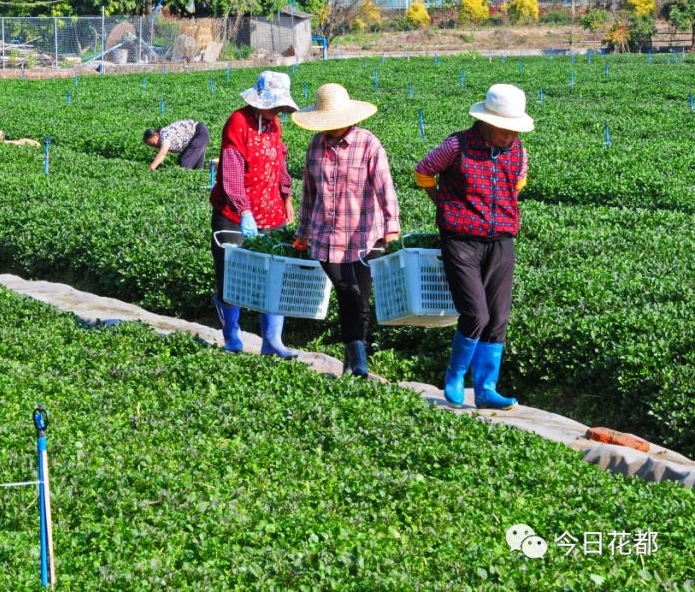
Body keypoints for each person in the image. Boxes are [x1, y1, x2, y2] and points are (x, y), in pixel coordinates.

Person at [414, 83, 533, 410]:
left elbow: (518, 183)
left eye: (514, 130)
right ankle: (455, 375)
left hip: (501, 238)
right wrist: (442, 202)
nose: (511, 136)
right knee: (476, 313)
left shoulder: (518, 151)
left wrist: (497, 213)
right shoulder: (456, 145)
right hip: (460, 238)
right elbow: (424, 172)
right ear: (486, 122)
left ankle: (485, 389)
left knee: (498, 316)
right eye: (505, 129)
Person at [292, 84, 400, 378]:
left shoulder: (368, 144)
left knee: (360, 296)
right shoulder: (315, 146)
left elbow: (384, 186)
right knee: (346, 291)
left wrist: (391, 224)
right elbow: (309, 194)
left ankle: (356, 358)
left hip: (364, 236)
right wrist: (302, 232)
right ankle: (357, 356)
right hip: (326, 237)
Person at [210, 70, 299, 358]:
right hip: (235, 215)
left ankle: (272, 341)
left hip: (270, 211)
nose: (279, 111)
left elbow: (280, 162)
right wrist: (243, 209)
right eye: (276, 106)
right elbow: (231, 167)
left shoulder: (274, 126)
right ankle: (232, 334)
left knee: (272, 277)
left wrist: (286, 196)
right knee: (232, 276)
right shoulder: (238, 121)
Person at [143, 120, 209, 170]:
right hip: (195, 137)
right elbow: (164, 152)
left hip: (199, 134)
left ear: (156, 135)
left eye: (153, 143)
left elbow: (162, 154)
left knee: (185, 166)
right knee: (195, 167)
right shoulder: (163, 135)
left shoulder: (164, 135)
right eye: (151, 146)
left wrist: (151, 168)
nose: (155, 146)